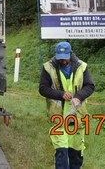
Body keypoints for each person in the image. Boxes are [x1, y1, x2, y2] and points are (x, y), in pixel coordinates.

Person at [39, 41, 95, 169]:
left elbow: (90, 86)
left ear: (70, 54)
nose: (62, 61)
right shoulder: (48, 68)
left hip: (77, 118)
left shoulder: (82, 67)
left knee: (76, 152)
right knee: (61, 153)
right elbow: (43, 89)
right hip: (58, 118)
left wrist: (78, 97)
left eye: (65, 58)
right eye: (59, 58)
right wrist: (60, 94)